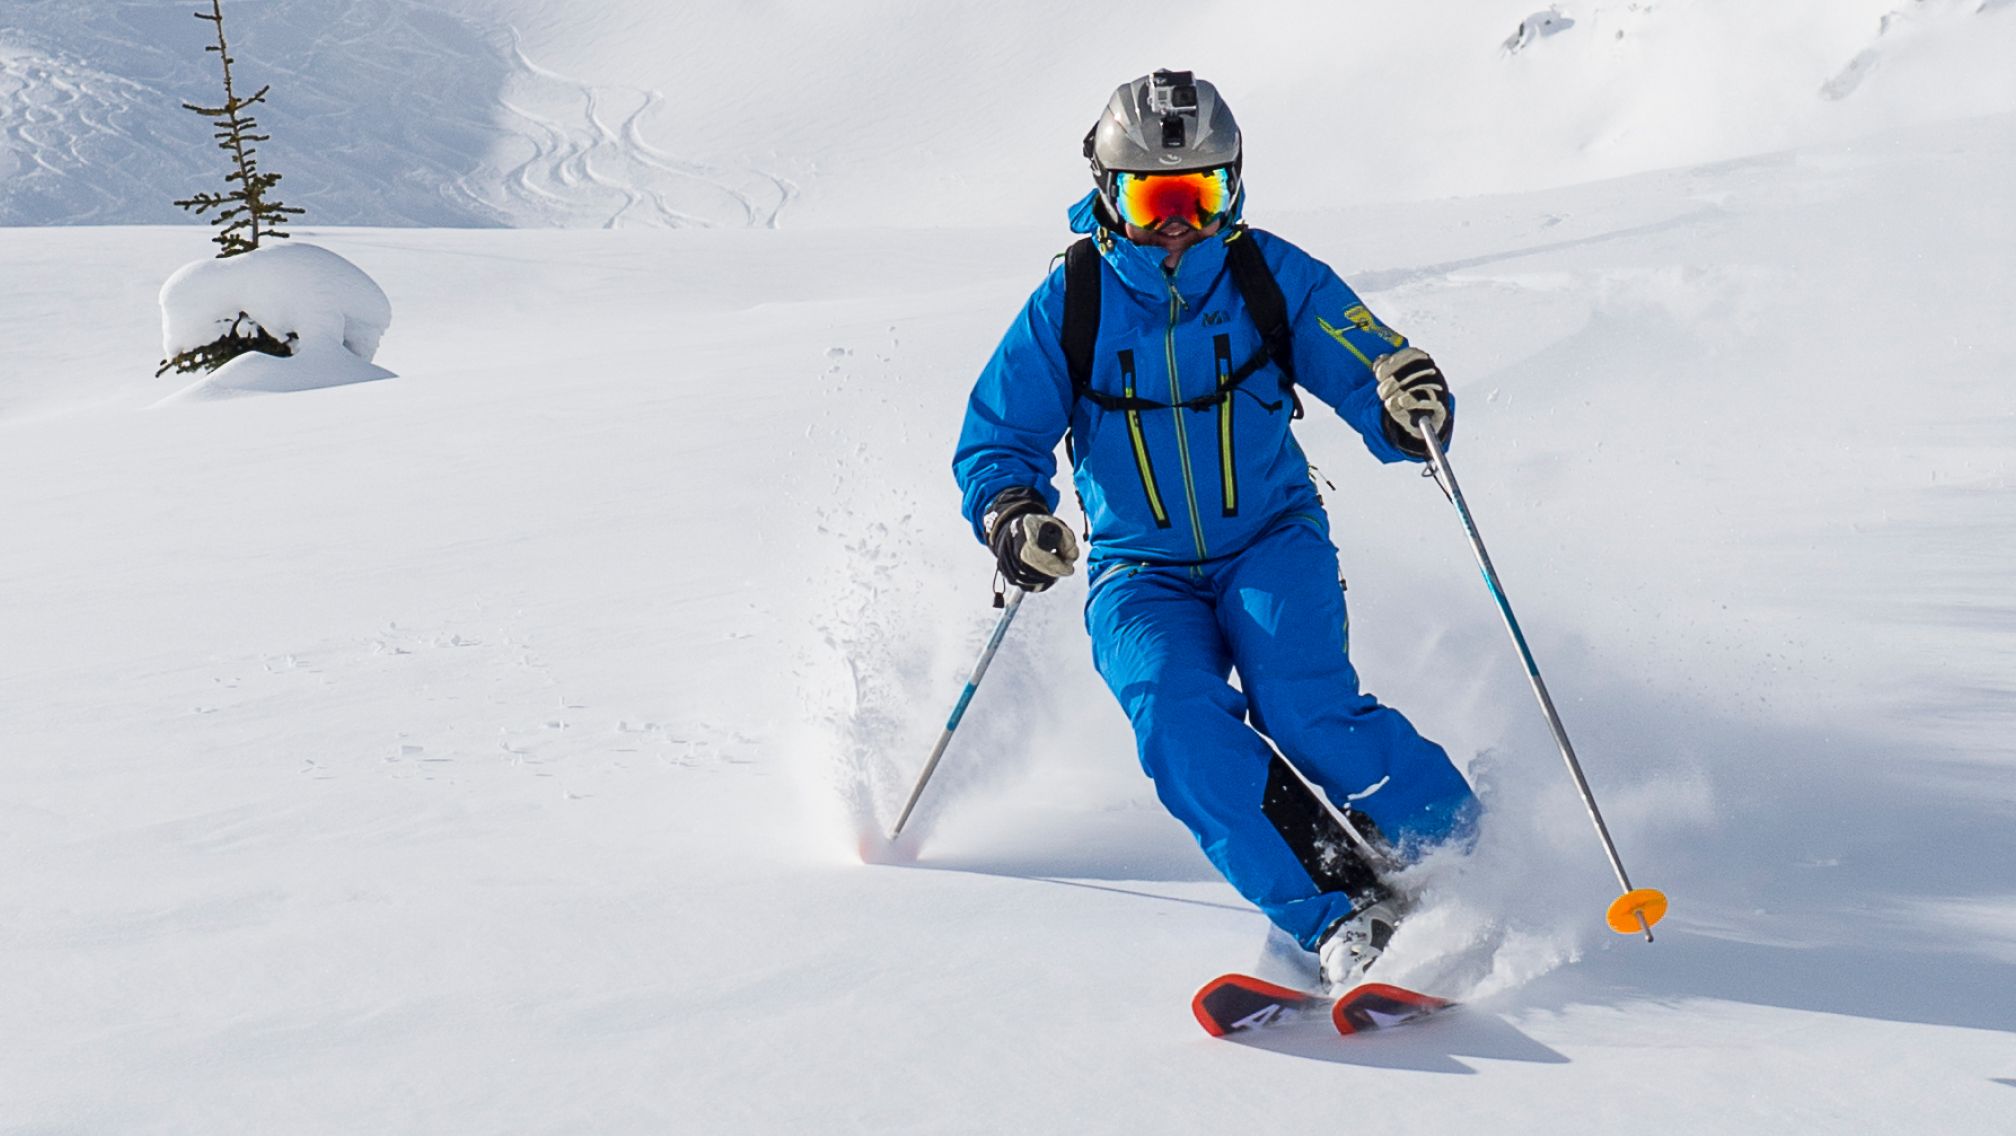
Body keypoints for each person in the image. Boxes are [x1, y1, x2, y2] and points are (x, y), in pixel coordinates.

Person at [952, 70, 1478, 988]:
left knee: (1305, 706)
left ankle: (1468, 850)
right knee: (1178, 722)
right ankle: (1335, 907)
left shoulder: (1270, 277)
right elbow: (997, 440)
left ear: (1232, 187)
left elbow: (1371, 362)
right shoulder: (1070, 304)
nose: (1177, 223)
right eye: (1153, 197)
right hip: (1140, 572)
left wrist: (1407, 403)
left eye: (1201, 194)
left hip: (1272, 540)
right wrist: (1015, 515)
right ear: (1109, 194)